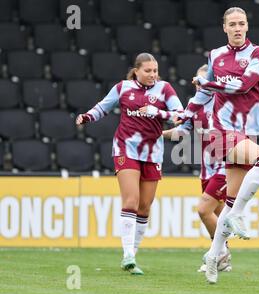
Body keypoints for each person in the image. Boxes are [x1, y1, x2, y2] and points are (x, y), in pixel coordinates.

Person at [179, 7, 259, 284]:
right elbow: (204, 93)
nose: (237, 28)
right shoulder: (216, 55)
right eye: (232, 24)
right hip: (222, 131)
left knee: (229, 205)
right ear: (224, 28)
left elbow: (245, 86)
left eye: (241, 23)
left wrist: (208, 82)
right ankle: (240, 216)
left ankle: (214, 255)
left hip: (252, 132)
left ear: (247, 26)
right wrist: (185, 116)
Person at [76, 53, 183, 275]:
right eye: (148, 71)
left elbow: (181, 117)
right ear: (136, 71)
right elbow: (103, 107)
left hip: (153, 152)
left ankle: (133, 253)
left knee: (145, 206)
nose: (153, 75)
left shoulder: (164, 89)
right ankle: (128, 255)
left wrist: (158, 112)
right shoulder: (122, 88)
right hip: (126, 148)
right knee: (131, 200)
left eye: (155, 71)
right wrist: (86, 117)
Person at [163, 64, 231, 273]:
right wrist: (159, 134)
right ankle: (223, 258)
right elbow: (182, 133)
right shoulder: (196, 107)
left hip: (225, 167)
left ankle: (217, 255)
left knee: (203, 210)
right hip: (206, 170)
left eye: (204, 83)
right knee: (219, 218)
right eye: (198, 84)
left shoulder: (226, 106)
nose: (200, 88)